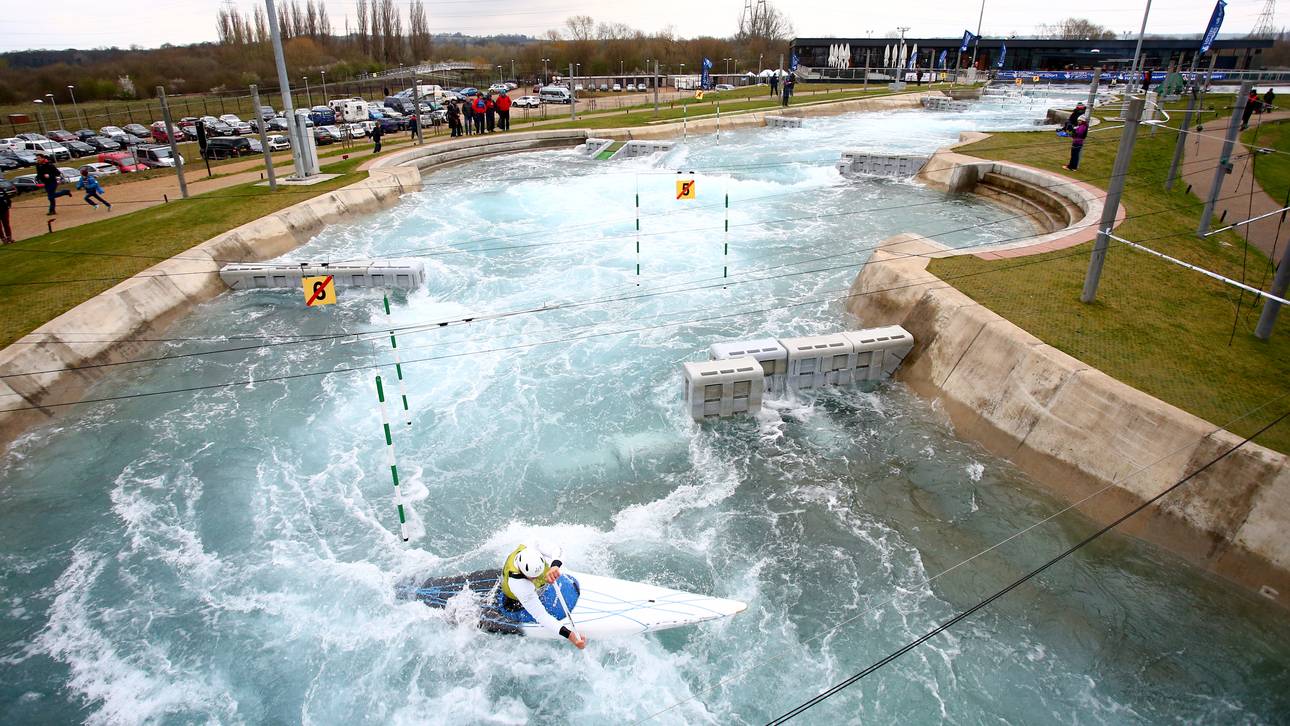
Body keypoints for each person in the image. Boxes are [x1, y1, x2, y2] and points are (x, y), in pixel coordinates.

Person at [499, 543, 586, 649]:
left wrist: (555, 565)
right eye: (533, 577)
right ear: (522, 571)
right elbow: (541, 615)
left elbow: (557, 549)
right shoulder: (519, 585)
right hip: (515, 601)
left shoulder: (531, 545)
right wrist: (570, 635)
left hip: (537, 589)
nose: (537, 578)